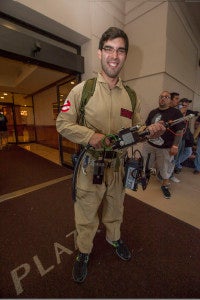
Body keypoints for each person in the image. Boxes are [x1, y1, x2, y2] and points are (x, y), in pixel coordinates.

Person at [56, 27, 166, 283]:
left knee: (116, 208)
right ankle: (83, 252)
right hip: (89, 166)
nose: (114, 56)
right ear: (99, 53)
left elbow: (136, 129)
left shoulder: (131, 96)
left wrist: (149, 131)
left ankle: (113, 238)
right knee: (86, 213)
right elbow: (62, 124)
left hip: (118, 167)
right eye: (109, 49)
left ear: (125, 56)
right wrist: (91, 137)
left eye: (120, 50)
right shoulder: (81, 91)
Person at [142, 91, 184, 199]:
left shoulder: (176, 113)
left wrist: (175, 146)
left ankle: (165, 185)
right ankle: (143, 178)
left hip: (165, 147)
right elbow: (146, 127)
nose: (163, 98)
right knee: (145, 163)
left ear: (170, 100)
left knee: (165, 169)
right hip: (150, 144)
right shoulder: (152, 112)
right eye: (161, 96)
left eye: (166, 97)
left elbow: (179, 130)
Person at [174, 98, 199, 174]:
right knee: (177, 153)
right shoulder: (176, 112)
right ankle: (176, 166)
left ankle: (175, 164)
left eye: (187, 105)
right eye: (184, 105)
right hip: (177, 135)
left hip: (185, 135)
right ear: (180, 105)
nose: (186, 107)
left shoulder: (188, 112)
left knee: (187, 152)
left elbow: (196, 113)